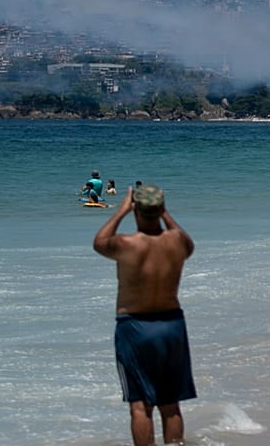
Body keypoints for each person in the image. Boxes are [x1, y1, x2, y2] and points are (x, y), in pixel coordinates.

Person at [92, 184, 197, 446]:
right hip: (172, 324)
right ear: (160, 209)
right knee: (170, 404)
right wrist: (165, 214)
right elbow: (187, 242)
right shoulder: (178, 242)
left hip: (135, 327)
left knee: (140, 405)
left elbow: (99, 242)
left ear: (135, 209)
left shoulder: (126, 244)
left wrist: (121, 211)